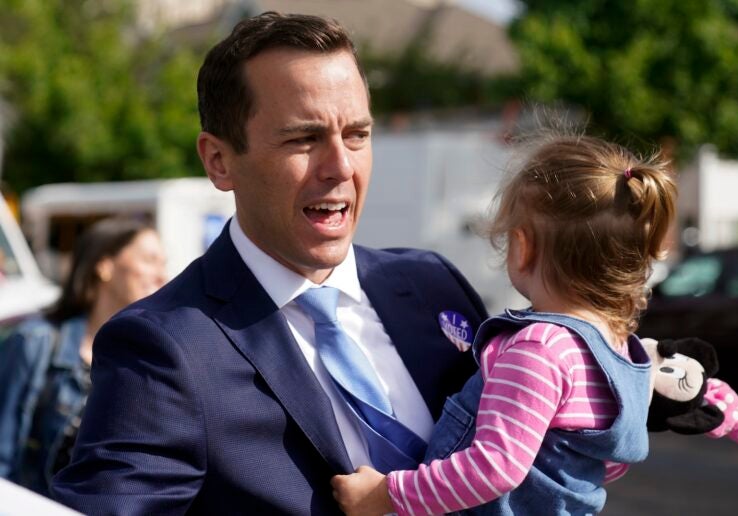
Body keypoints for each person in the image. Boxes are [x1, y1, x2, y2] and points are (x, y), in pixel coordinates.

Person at [51, 12, 487, 515]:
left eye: (357, 135)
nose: (340, 166)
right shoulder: (161, 349)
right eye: (303, 138)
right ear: (219, 161)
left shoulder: (433, 284)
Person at [331, 135, 678, 515]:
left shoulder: (540, 348)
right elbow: (603, 462)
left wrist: (386, 494)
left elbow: (494, 468)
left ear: (522, 246)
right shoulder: (621, 353)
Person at [0, 217, 166, 496]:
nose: (162, 276)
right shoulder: (35, 342)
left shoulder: (153, 354)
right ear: (104, 266)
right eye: (150, 260)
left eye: (163, 263)